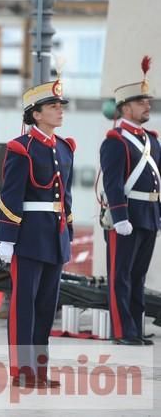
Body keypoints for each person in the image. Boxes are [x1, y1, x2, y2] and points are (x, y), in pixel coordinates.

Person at [0, 77, 75, 388]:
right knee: (24, 307)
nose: (60, 111)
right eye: (53, 106)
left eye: (60, 106)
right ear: (36, 113)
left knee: (45, 308)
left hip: (54, 238)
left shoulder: (65, 148)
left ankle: (39, 370)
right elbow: (10, 194)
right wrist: (6, 237)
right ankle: (21, 371)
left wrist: (67, 231)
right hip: (28, 237)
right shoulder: (22, 148)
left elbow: (65, 197)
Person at [100, 55, 159, 346]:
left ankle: (135, 327)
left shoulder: (152, 140)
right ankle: (123, 331)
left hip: (149, 213)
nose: (148, 105)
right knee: (120, 276)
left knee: (138, 275)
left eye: (147, 101)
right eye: (141, 102)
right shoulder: (116, 140)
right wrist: (120, 217)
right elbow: (112, 183)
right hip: (126, 216)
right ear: (125, 107)